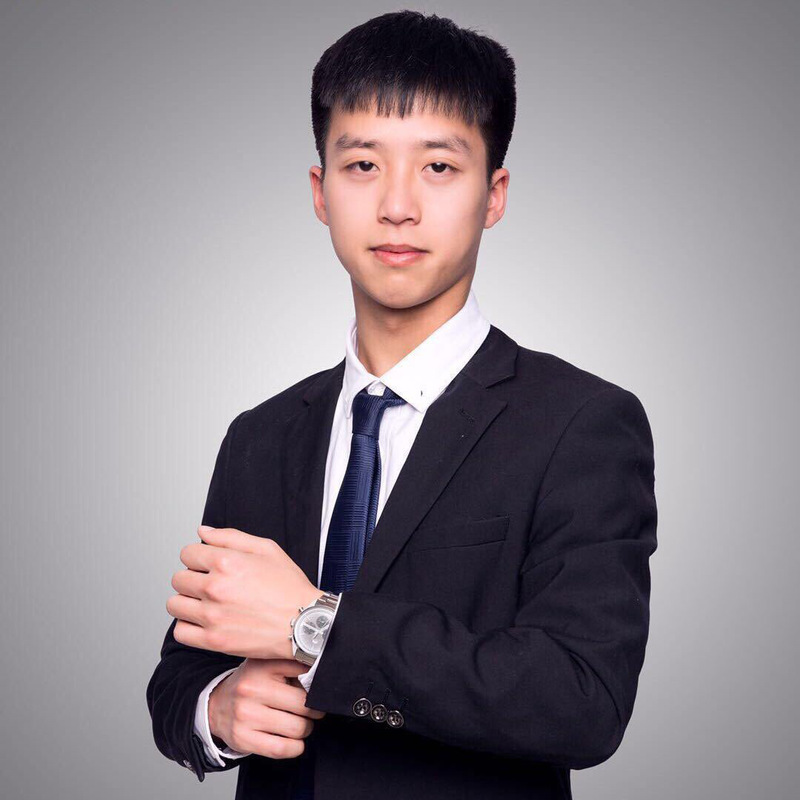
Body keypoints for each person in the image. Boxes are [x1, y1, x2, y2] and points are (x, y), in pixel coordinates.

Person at [146, 10, 657, 800]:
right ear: (320, 191)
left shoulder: (581, 424)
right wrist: (216, 710)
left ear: (494, 194)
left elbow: (581, 701)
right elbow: (182, 673)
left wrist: (315, 625)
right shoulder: (261, 435)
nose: (396, 205)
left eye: (439, 167)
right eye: (362, 164)